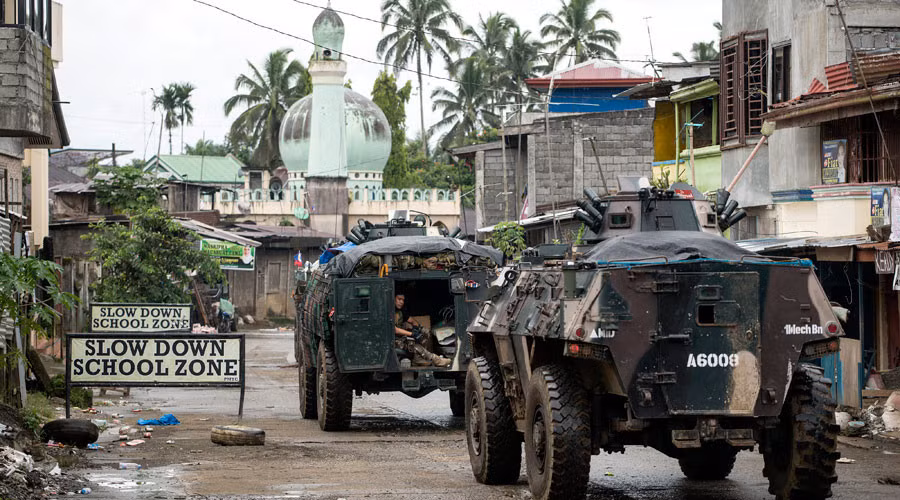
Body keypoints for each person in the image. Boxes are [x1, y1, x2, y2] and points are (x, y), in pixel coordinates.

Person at [394, 294, 451, 368]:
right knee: (414, 345)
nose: (401, 302)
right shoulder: (389, 312)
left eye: (403, 300)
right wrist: (412, 334)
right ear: (394, 299)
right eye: (399, 299)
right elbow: (395, 330)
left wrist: (419, 328)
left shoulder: (400, 312)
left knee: (423, 336)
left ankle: (418, 360)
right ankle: (437, 360)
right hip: (393, 342)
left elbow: (412, 320)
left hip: (400, 338)